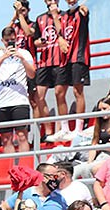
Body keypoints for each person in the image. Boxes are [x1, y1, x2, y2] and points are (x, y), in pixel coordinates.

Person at [0, 27, 36, 156]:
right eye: (7, 40)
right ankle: (12, 170)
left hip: (20, 101)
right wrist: (3, 57)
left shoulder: (24, 53)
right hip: (2, 102)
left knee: (22, 136)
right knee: (6, 139)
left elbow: (32, 74)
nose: (10, 43)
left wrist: (22, 58)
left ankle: (25, 169)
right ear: (2, 41)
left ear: (17, 39)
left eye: (12, 40)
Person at [34, 0, 73, 143]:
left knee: (59, 94)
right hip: (44, 62)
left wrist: (56, 15)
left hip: (61, 61)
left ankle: (64, 128)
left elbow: (67, 34)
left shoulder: (65, 15)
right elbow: (35, 40)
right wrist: (39, 42)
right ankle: (49, 130)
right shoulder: (40, 18)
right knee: (39, 96)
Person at [60, 0, 91, 138]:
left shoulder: (81, 11)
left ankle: (79, 128)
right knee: (59, 91)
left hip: (79, 56)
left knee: (77, 91)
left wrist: (84, 9)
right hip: (65, 59)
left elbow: (85, 11)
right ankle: (64, 128)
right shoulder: (64, 16)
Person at [2, 163, 68, 210]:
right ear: (43, 177)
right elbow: (3, 208)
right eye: (55, 176)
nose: (57, 180)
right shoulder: (25, 193)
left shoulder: (60, 198)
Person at [10, 0, 40, 122]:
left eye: (23, 10)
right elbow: (5, 35)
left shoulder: (33, 24)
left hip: (29, 66)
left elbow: (28, 33)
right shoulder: (14, 27)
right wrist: (14, 17)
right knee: (18, 101)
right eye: (19, 11)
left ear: (28, 10)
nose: (20, 13)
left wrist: (20, 16)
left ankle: (38, 132)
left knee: (34, 101)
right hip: (15, 68)